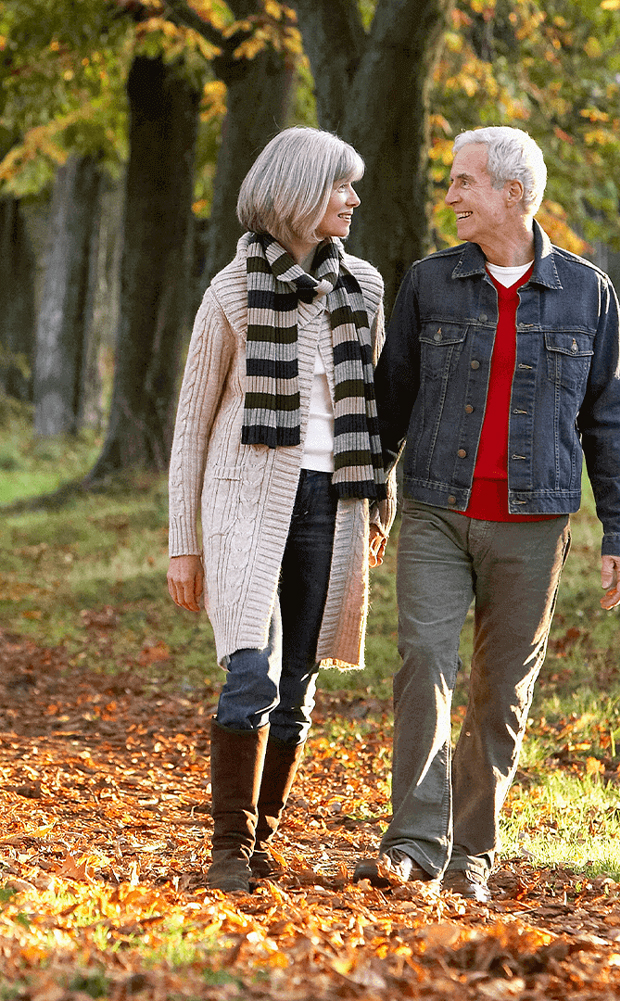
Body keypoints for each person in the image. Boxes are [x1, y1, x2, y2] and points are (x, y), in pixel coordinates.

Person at [353, 126, 620, 903]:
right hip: (437, 511)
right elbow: (392, 400)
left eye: (463, 183)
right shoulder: (430, 282)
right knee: (423, 659)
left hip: (534, 520)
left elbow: (612, 419)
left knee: (501, 690)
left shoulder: (587, 291)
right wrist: (374, 493)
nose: (450, 198)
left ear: (512, 194)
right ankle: (413, 840)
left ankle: (470, 853)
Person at [167, 126, 394, 894]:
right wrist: (182, 543)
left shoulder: (364, 286)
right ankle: (227, 846)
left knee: (298, 680)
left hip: (335, 503)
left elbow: (375, 413)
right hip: (244, 504)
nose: (354, 199)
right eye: (341, 186)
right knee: (251, 670)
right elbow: (192, 426)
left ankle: (262, 837)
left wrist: (378, 511)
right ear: (298, 191)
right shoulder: (230, 291)